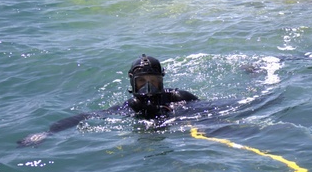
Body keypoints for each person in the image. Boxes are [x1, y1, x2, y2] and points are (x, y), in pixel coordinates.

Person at [18, 54, 199, 147]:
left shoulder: (178, 97)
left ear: (162, 80)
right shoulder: (132, 106)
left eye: (153, 81)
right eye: (142, 82)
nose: (148, 87)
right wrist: (48, 133)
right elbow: (86, 116)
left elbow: (212, 110)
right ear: (133, 83)